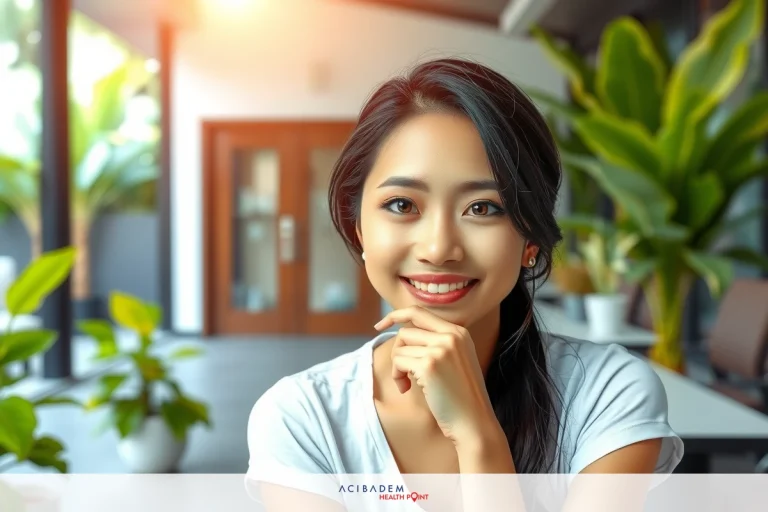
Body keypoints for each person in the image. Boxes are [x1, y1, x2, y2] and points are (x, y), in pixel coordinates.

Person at [245, 58, 684, 510]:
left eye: (482, 208)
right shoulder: (300, 418)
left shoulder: (606, 394)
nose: (439, 249)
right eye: (401, 205)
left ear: (530, 237)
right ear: (359, 230)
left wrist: (477, 435)